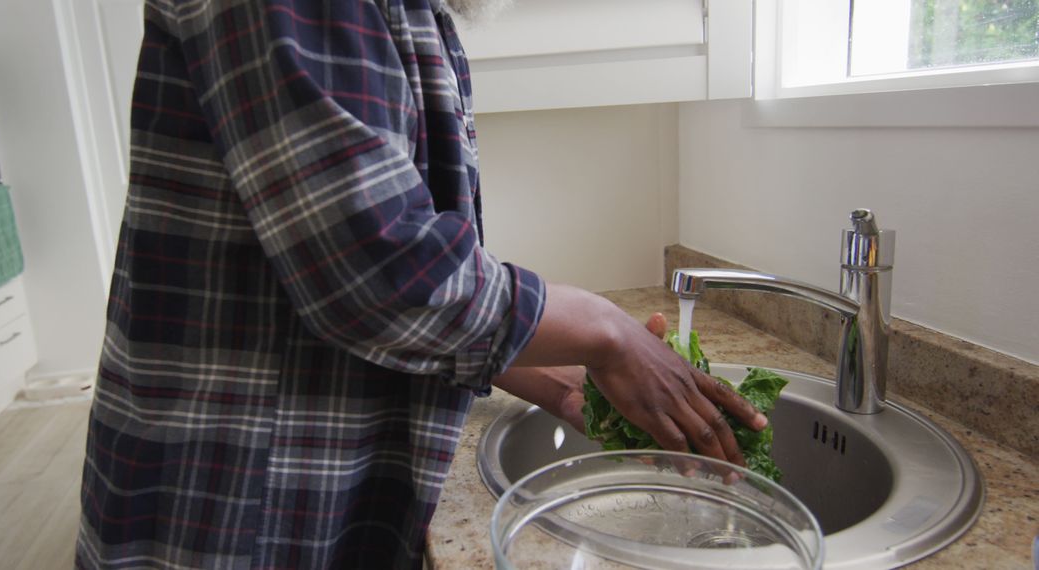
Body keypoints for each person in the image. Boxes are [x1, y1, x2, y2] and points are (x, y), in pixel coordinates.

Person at [75, 0, 766, 568]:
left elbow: (368, 259)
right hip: (236, 506)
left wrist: (551, 375)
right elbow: (378, 270)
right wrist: (606, 331)